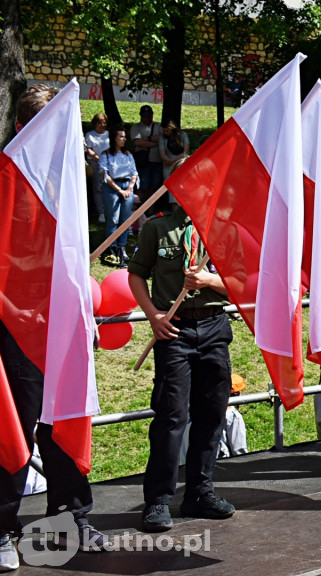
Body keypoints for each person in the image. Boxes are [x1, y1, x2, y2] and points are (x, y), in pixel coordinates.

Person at [1, 84, 107, 573]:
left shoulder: (69, 178)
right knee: (14, 429)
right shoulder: (8, 176)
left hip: (63, 323)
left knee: (67, 418)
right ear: (29, 127)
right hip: (15, 326)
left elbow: (69, 259)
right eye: (56, 125)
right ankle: (3, 527)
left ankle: (71, 517)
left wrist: (83, 309)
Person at [128, 157, 236, 533]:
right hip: (173, 331)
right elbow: (137, 275)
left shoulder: (221, 229)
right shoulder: (157, 229)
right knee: (171, 417)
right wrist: (153, 315)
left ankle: (200, 492)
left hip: (213, 328)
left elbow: (240, 281)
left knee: (212, 413)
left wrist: (208, 279)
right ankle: (158, 500)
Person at [98, 127, 138, 267]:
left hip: (127, 186)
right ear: (115, 138)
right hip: (112, 187)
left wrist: (129, 188)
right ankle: (112, 248)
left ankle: (122, 248)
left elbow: (134, 172)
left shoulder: (128, 154)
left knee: (125, 220)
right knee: (113, 219)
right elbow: (104, 173)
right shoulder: (106, 155)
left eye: (124, 136)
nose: (124, 139)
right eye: (121, 136)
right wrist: (119, 190)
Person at [130, 104, 162, 193]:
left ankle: (151, 206)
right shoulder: (136, 127)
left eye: (149, 116)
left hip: (157, 160)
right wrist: (155, 143)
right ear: (141, 116)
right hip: (143, 161)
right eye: (144, 116)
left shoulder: (158, 126)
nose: (147, 118)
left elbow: (163, 138)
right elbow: (138, 142)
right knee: (142, 185)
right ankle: (141, 205)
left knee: (155, 186)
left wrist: (148, 138)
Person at [84, 113, 110, 222]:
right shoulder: (90, 135)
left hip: (108, 164)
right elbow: (88, 149)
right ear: (95, 123)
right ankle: (101, 213)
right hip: (95, 164)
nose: (102, 125)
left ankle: (110, 211)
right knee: (98, 188)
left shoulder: (109, 134)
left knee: (108, 187)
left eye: (104, 122)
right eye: (100, 123)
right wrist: (95, 156)